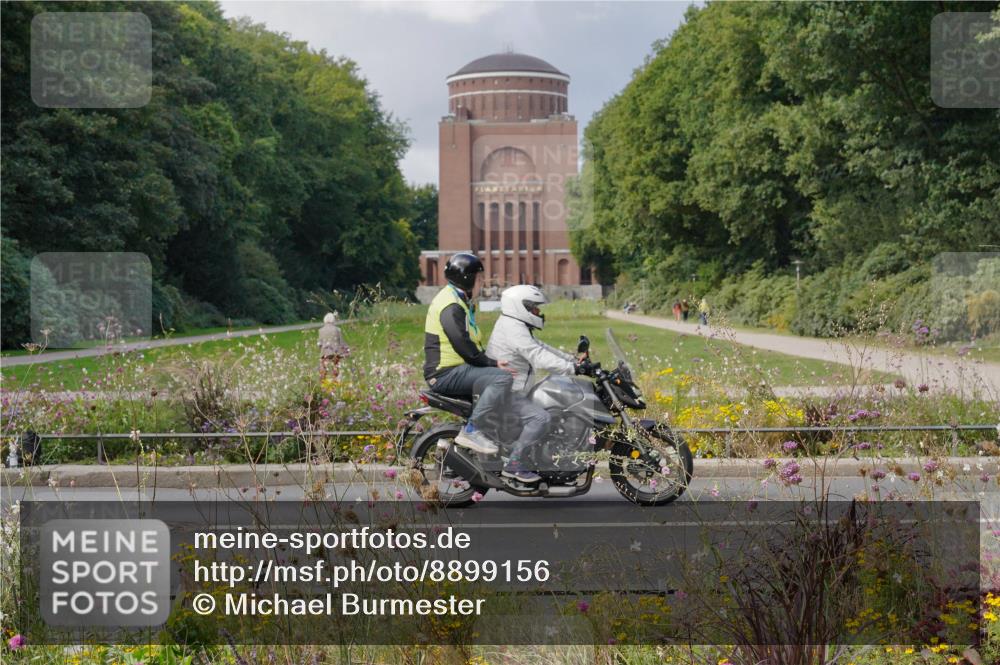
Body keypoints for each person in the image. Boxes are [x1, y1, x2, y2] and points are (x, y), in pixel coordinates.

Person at [486, 285, 588, 483]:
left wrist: (573, 360)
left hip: (512, 388)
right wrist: (573, 369)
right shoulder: (513, 328)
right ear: (521, 306)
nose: (538, 312)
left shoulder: (515, 325)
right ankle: (514, 464)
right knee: (540, 418)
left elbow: (540, 346)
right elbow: (538, 356)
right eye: (534, 308)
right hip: (506, 392)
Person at [424, 253, 515, 455]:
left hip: (454, 370)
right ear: (467, 278)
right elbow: (464, 347)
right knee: (502, 379)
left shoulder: (458, 300)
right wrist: (492, 364)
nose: (482, 283)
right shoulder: (451, 306)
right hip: (444, 374)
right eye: (479, 278)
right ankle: (472, 431)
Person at [318, 312, 348, 379]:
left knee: (324, 370)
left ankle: (324, 383)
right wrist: (346, 351)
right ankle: (336, 381)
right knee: (336, 368)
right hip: (335, 352)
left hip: (324, 353)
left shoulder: (321, 330)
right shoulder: (337, 329)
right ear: (333, 320)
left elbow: (319, 344)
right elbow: (341, 342)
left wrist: (321, 350)